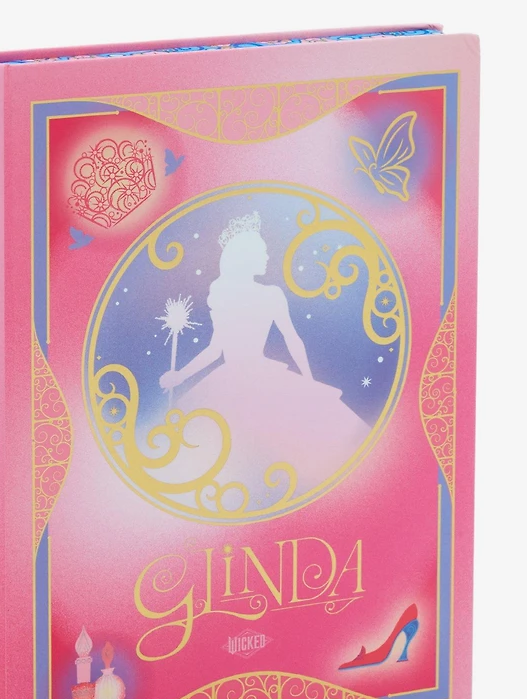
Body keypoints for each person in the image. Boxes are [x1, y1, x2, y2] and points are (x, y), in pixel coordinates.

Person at [158, 211, 370, 509]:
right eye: (262, 251)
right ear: (245, 257)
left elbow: (292, 339)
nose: (268, 257)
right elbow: (215, 349)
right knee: (228, 452)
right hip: (230, 383)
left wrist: (309, 381)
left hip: (264, 379)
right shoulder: (223, 295)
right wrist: (179, 375)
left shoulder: (272, 294)